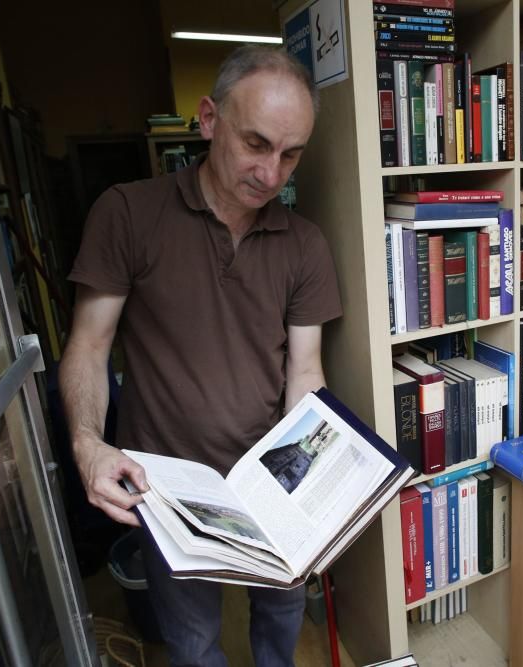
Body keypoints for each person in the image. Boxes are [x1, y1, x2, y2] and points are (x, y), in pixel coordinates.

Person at [58, 45, 342, 667]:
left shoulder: (305, 245)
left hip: (269, 481)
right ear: (209, 120)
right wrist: (86, 443)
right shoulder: (128, 213)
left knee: (280, 623)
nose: (272, 174)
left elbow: (305, 372)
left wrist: (318, 483)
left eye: (290, 154)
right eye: (256, 143)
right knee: (192, 644)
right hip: (168, 488)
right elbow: (88, 345)